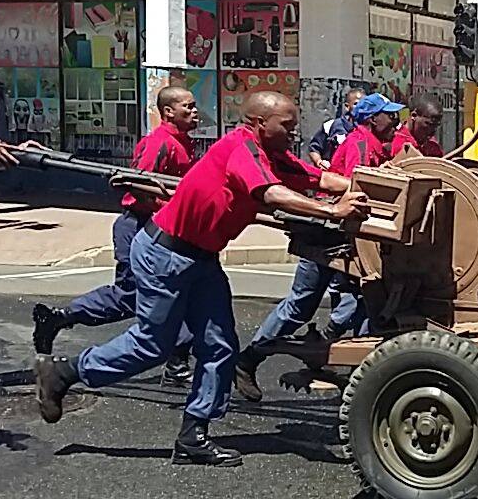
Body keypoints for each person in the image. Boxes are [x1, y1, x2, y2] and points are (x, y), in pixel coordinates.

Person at [34, 91, 369, 467]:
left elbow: (315, 177)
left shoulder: (272, 154)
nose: (294, 133)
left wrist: (363, 186)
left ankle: (193, 436)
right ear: (260, 123)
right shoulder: (241, 148)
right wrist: (337, 211)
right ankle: (64, 372)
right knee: (152, 345)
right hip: (166, 254)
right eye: (287, 126)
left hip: (201, 258)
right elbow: (272, 193)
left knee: (220, 345)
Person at [232, 93, 404, 402]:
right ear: (371, 119)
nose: (394, 120)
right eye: (388, 115)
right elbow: (355, 190)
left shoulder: (381, 146)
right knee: (302, 304)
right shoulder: (360, 145)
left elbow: (326, 178)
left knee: (368, 301)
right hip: (327, 234)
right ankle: (249, 359)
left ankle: (353, 368)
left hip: (349, 233)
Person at [31, 87, 200, 388]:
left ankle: (177, 361)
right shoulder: (159, 144)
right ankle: (59, 319)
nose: (195, 111)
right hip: (139, 227)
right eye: (188, 106)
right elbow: (137, 188)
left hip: (161, 229)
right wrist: (173, 208)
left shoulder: (183, 143)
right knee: (132, 296)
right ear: (168, 112)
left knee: (178, 293)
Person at [307, 87, 365, 170]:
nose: (360, 108)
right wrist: (319, 162)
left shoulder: (369, 129)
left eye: (364, 104)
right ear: (347, 106)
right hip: (332, 176)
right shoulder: (331, 126)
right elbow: (314, 149)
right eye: (356, 104)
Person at [391, 92, 444, 158]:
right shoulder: (397, 144)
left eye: (436, 126)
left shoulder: (433, 147)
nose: (432, 132)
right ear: (414, 115)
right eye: (429, 124)